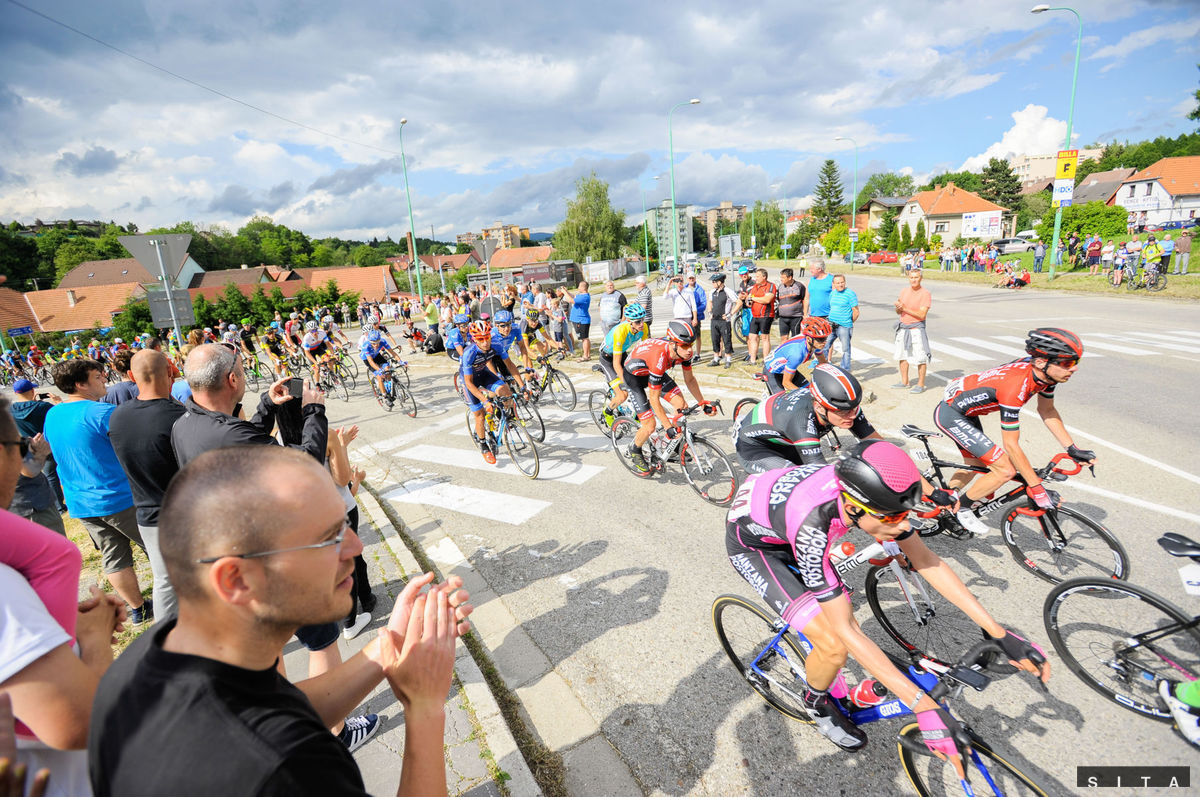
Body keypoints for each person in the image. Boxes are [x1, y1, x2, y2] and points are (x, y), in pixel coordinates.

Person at [88, 445, 473, 797]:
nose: (355, 547)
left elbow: (275, 704)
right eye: (329, 537)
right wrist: (424, 707)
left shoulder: (157, 655)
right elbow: (269, 733)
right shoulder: (287, 766)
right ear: (236, 579)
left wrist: (386, 647)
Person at [724, 440, 1049, 753]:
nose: (902, 526)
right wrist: (922, 706)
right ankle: (814, 700)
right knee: (834, 646)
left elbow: (927, 561)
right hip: (757, 547)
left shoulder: (874, 501)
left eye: (904, 514)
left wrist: (999, 633)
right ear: (853, 506)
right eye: (893, 518)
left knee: (843, 598)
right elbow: (848, 632)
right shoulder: (813, 528)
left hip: (784, 510)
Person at [933, 328, 1095, 537]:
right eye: (1066, 363)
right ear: (1040, 362)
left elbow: (1047, 410)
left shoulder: (1044, 375)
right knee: (1005, 470)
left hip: (964, 407)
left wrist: (1072, 448)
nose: (1073, 369)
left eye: (1076, 363)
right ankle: (961, 509)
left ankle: (948, 498)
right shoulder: (1015, 387)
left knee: (977, 465)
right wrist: (1037, 489)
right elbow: (1011, 445)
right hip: (951, 413)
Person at [43, 359, 152, 624]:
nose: (104, 378)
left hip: (81, 502)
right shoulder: (100, 412)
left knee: (114, 555)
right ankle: (180, 597)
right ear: (81, 384)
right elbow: (133, 446)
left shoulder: (53, 414)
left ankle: (138, 609)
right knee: (157, 547)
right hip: (118, 497)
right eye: (97, 376)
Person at [108, 350, 187, 621]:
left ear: (130, 376)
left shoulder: (118, 416)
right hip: (185, 514)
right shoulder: (179, 417)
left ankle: (165, 642)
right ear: (172, 372)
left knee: (165, 580)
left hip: (146, 512)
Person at [734, 364, 884, 473]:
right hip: (756, 448)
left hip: (786, 440)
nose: (852, 415)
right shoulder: (801, 422)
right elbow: (822, 475)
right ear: (819, 407)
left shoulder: (844, 406)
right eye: (844, 412)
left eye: (854, 408)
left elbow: (878, 445)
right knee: (794, 479)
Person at [619, 321, 715, 473]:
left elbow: (690, 380)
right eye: (685, 346)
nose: (690, 350)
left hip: (653, 372)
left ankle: (667, 445)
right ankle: (634, 449)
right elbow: (654, 399)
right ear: (673, 344)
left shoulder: (682, 352)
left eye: (691, 345)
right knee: (649, 425)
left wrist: (702, 403)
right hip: (635, 378)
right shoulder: (659, 357)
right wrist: (668, 426)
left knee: (681, 405)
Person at [459, 321, 526, 465]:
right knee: (480, 415)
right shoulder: (469, 353)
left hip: (483, 373)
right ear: (474, 339)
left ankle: (502, 417)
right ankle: (483, 445)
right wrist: (484, 401)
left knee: (506, 392)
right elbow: (469, 383)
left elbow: (509, 365)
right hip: (470, 381)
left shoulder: (495, 344)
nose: (485, 342)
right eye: (481, 339)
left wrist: (522, 386)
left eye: (487, 337)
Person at [11, 380, 65, 513]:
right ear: (32, 391)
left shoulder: (11, 410)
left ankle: (59, 506)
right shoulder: (43, 407)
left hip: (33, 446)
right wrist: (58, 402)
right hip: (51, 443)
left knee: (49, 475)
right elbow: (60, 416)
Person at [597, 303, 647, 427]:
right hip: (608, 359)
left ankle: (636, 414)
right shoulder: (620, 331)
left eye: (642, 320)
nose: (641, 324)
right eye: (637, 322)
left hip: (622, 354)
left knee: (638, 385)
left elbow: (646, 350)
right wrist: (625, 382)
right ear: (629, 321)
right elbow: (616, 363)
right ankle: (607, 412)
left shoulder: (644, 328)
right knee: (622, 395)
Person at [761, 316, 831, 393]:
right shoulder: (797, 354)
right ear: (808, 339)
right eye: (821, 339)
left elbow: (823, 364)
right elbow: (786, 383)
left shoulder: (815, 343)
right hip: (772, 371)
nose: (824, 342)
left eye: (825, 338)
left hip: (786, 368)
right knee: (780, 401)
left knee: (810, 391)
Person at [892, 269, 931, 394]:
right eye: (911, 277)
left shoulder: (925, 293)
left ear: (921, 278)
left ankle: (920, 384)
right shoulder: (904, 291)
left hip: (916, 329)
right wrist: (898, 308)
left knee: (920, 357)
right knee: (902, 355)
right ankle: (905, 381)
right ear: (908, 278)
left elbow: (922, 314)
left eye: (916, 277)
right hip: (903, 327)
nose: (914, 280)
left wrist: (905, 308)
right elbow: (899, 311)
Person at [706, 273, 739, 369]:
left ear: (719, 282)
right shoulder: (712, 291)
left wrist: (730, 314)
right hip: (714, 320)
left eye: (714, 282)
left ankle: (728, 359)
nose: (712, 283)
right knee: (715, 339)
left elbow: (738, 302)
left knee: (726, 339)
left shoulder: (728, 291)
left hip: (724, 321)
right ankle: (716, 359)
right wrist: (709, 312)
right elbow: (710, 301)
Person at [663, 275, 698, 363]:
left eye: (681, 281)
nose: (680, 283)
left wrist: (695, 318)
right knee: (678, 339)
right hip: (678, 317)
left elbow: (693, 305)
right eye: (677, 281)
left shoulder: (688, 291)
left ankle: (688, 357)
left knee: (688, 338)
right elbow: (664, 297)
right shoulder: (673, 291)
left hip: (687, 317)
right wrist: (670, 282)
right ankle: (679, 356)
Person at [827, 274, 859, 372]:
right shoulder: (832, 293)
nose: (840, 285)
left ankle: (845, 370)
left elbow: (856, 311)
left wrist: (849, 322)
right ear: (834, 284)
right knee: (825, 346)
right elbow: (831, 307)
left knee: (845, 349)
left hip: (844, 326)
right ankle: (822, 366)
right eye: (838, 283)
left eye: (842, 282)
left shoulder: (850, 294)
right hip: (831, 324)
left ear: (845, 282)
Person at [745, 268, 776, 364]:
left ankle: (766, 360)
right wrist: (748, 300)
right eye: (755, 276)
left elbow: (767, 299)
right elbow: (749, 300)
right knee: (752, 337)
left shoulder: (770, 286)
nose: (756, 278)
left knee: (765, 338)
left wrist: (753, 298)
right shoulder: (755, 287)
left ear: (764, 277)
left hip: (766, 315)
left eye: (758, 276)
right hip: (755, 315)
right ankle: (752, 359)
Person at [803, 259, 833, 358]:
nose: (810, 270)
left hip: (828, 314)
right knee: (815, 338)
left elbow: (836, 297)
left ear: (819, 269)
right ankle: (817, 359)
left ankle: (827, 359)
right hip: (814, 315)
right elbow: (807, 298)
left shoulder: (831, 279)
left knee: (827, 339)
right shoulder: (811, 280)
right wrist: (805, 314)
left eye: (812, 268)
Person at [359, 330, 395, 408]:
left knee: (387, 369)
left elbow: (393, 353)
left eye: (377, 343)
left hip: (376, 355)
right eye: (373, 343)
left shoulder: (382, 341)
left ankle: (388, 387)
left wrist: (401, 361)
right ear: (369, 341)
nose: (376, 345)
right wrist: (379, 370)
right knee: (379, 376)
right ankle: (384, 396)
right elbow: (371, 362)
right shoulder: (366, 346)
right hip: (368, 359)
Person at [564, 280, 593, 362]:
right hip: (579, 320)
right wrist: (566, 291)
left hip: (581, 320)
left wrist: (564, 293)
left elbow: (570, 300)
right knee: (585, 338)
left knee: (585, 338)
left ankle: (586, 356)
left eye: (579, 286)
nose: (578, 288)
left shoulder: (584, 297)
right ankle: (587, 354)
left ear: (583, 288)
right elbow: (573, 296)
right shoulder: (581, 296)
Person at [775, 267, 806, 339]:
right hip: (783, 317)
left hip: (795, 317)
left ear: (790, 277)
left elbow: (804, 299)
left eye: (783, 277)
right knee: (783, 338)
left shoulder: (799, 286)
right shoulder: (780, 287)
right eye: (781, 277)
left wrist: (804, 314)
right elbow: (778, 300)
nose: (781, 279)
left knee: (795, 338)